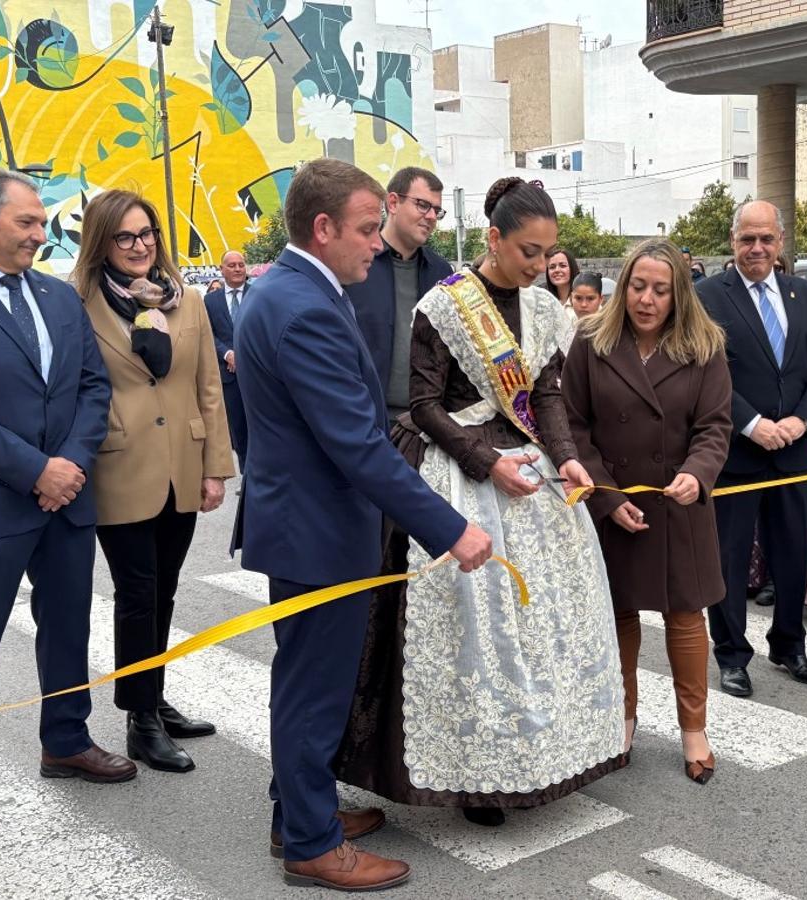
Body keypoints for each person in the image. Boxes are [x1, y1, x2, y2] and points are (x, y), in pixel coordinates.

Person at [233, 159, 492, 890]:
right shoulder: (306, 307)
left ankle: (301, 811)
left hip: (304, 520)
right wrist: (452, 530)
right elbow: (358, 445)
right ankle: (311, 844)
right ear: (323, 228)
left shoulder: (291, 291)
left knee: (310, 683)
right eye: (367, 229)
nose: (378, 244)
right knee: (314, 691)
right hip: (318, 532)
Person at [335, 176, 623, 829]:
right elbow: (424, 405)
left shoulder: (545, 310)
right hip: (459, 473)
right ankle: (477, 776)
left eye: (546, 253)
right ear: (494, 238)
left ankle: (547, 753)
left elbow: (545, 396)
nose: (538, 265)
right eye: (527, 251)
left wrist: (567, 456)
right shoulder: (445, 305)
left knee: (543, 625)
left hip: (531, 469)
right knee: (474, 625)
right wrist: (485, 461)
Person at [0, 169, 132, 843]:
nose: (39, 234)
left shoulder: (58, 297)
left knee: (68, 626)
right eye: (26, 222)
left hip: (66, 499)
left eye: (40, 223)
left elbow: (92, 386)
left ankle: (66, 741)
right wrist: (36, 471)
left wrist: (71, 465)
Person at [71, 190, 235, 774]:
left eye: (147, 234)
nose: (139, 246)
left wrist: (215, 466)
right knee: (137, 594)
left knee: (163, 590)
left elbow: (208, 385)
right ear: (102, 242)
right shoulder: (79, 302)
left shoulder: (186, 298)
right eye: (125, 236)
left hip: (182, 464)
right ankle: (140, 719)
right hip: (119, 465)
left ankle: (154, 698)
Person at [563, 238, 732, 785]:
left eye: (660, 290)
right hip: (613, 501)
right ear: (623, 288)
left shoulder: (705, 345)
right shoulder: (590, 340)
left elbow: (714, 426)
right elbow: (574, 426)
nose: (647, 299)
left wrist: (698, 474)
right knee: (619, 616)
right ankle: (622, 720)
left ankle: (694, 730)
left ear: (678, 294)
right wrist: (607, 498)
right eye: (638, 286)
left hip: (679, 503)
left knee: (685, 615)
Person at [696, 200, 807, 696]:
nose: (757, 248)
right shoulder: (707, 296)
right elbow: (704, 370)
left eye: (766, 239)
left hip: (793, 451)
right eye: (747, 239)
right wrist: (751, 424)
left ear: (781, 242)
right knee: (729, 559)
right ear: (733, 242)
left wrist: (803, 420)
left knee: (795, 552)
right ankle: (732, 654)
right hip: (737, 453)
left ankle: (790, 645)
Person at [348, 167, 453, 422]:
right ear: (393, 203)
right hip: (366, 418)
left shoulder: (441, 272)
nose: (431, 217)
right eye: (422, 205)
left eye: (437, 210)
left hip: (427, 422)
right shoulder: (356, 266)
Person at [204, 250, 249, 472]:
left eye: (241, 264)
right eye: (232, 265)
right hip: (229, 377)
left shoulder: (259, 294)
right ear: (221, 269)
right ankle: (247, 476)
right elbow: (208, 334)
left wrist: (244, 354)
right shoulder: (210, 301)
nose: (238, 269)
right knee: (238, 430)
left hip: (258, 374)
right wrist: (228, 354)